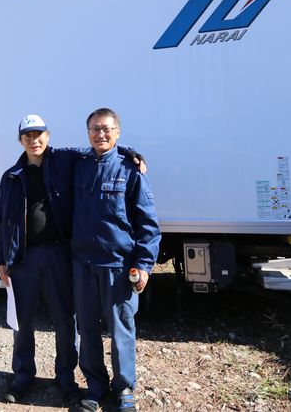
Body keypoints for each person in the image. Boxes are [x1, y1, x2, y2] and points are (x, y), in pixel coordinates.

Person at [0, 114, 144, 407]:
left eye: (38, 134)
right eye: (27, 136)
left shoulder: (63, 160)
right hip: (23, 258)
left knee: (65, 320)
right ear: (21, 141)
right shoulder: (11, 176)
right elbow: (2, 219)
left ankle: (65, 379)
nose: (34, 140)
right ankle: (22, 376)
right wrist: (2, 258)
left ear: (48, 136)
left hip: (58, 254)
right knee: (22, 322)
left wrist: (130, 152)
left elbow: (99, 148)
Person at [70, 108, 161, 412]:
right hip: (83, 264)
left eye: (107, 129)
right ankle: (95, 387)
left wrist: (144, 265)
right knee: (87, 329)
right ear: (88, 133)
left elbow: (148, 223)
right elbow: (52, 153)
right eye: (95, 129)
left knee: (122, 328)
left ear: (117, 132)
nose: (101, 134)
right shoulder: (78, 166)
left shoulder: (130, 169)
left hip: (118, 266)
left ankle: (124, 389)